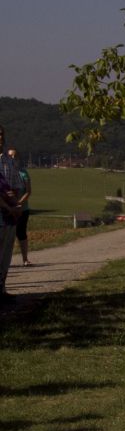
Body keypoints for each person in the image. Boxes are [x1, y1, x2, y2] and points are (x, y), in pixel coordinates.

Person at [0, 126, 22, 303]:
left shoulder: (10, 161)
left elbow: (16, 186)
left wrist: (15, 204)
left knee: (6, 253)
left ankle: (2, 288)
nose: (0, 138)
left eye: (2, 134)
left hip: (10, 212)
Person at [8, 148, 31, 267]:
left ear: (18, 158)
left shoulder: (23, 173)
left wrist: (19, 203)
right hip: (7, 209)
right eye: (10, 156)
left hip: (22, 209)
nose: (12, 158)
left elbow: (28, 191)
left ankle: (25, 259)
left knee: (21, 233)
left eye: (14, 156)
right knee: (6, 235)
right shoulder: (5, 174)